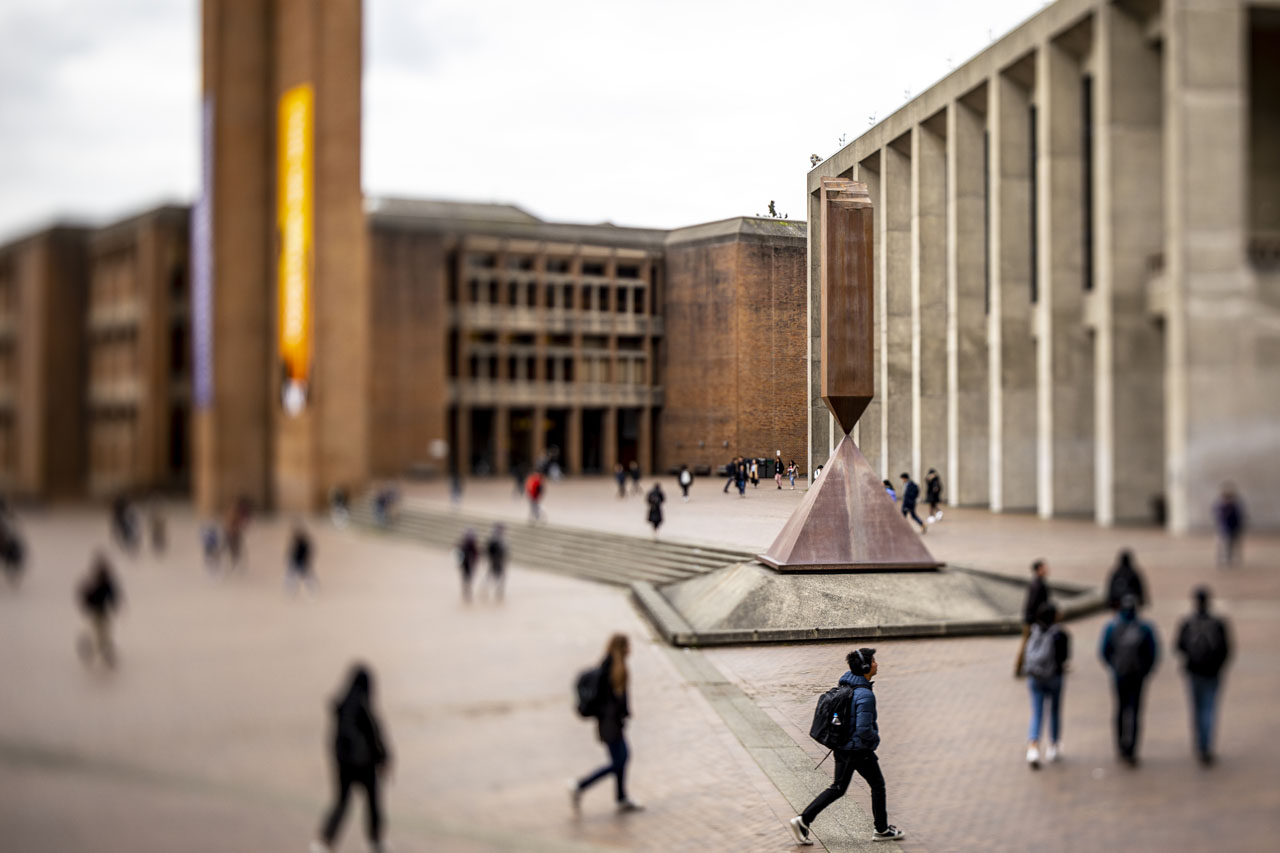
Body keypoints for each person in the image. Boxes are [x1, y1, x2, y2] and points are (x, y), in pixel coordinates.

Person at [787, 648, 905, 845]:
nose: (877, 664)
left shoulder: (847, 685)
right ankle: (881, 829)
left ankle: (804, 820)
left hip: (842, 747)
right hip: (858, 749)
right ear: (866, 667)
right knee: (877, 785)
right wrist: (874, 740)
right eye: (874, 661)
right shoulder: (865, 695)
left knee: (838, 788)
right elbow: (863, 729)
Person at [313, 665, 391, 853]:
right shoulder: (362, 704)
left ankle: (324, 842)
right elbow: (375, 735)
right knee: (372, 804)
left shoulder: (341, 705)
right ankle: (375, 843)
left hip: (344, 766)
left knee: (341, 803)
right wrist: (383, 757)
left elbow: (334, 741)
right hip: (364, 765)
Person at [571, 633, 641, 813]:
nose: (630, 649)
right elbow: (608, 698)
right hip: (610, 724)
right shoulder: (612, 669)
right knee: (619, 761)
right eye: (628, 646)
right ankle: (580, 785)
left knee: (621, 759)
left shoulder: (613, 666)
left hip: (611, 723)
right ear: (622, 648)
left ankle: (621, 797)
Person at [1100, 594, 1159, 765]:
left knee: (1120, 709)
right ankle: (1132, 748)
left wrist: (1114, 666)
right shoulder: (1145, 627)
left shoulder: (1112, 626)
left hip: (1120, 675)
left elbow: (1104, 651)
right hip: (1138, 676)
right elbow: (1153, 652)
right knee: (1135, 711)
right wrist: (1146, 670)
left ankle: (1120, 746)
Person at [1175, 586, 1232, 765]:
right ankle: (1206, 745)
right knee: (1209, 708)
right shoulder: (1218, 623)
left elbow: (1179, 646)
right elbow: (1227, 649)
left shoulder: (1187, 623)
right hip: (1212, 672)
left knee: (1197, 708)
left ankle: (1200, 743)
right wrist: (1219, 665)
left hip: (1194, 671)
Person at [1023, 602, 1070, 768]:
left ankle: (1033, 747)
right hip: (1054, 678)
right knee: (1055, 712)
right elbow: (1065, 657)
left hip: (1035, 678)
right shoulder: (1060, 634)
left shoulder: (1032, 632)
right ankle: (1053, 746)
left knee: (1037, 712)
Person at [77, 554, 122, 667]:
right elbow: (90, 595)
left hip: (101, 611)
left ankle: (103, 650)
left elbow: (89, 595)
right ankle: (101, 650)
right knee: (101, 631)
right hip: (99, 610)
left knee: (101, 631)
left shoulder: (101, 582)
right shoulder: (101, 582)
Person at [1014, 559, 1051, 678]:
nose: (1046, 570)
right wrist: (1035, 619)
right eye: (1044, 568)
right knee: (1026, 644)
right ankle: (1019, 668)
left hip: (1033, 619)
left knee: (1029, 643)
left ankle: (1023, 667)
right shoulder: (1037, 585)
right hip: (1032, 620)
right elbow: (1033, 605)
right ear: (1038, 570)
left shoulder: (1038, 583)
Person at [1212, 484, 1245, 567]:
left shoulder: (1234, 506)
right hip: (1224, 528)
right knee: (1222, 545)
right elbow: (1218, 515)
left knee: (1232, 545)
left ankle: (1229, 559)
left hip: (1232, 528)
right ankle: (1221, 560)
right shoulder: (1221, 505)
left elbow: (1238, 517)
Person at [287, 524, 317, 595]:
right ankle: (291, 592)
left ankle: (312, 592)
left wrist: (304, 561)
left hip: (301, 563)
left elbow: (306, 553)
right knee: (292, 578)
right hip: (297, 563)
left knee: (307, 578)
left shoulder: (303, 544)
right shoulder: (298, 543)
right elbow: (293, 554)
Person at [485, 524, 507, 602]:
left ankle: (495, 589)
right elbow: (489, 550)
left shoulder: (498, 539)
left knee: (494, 575)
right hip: (496, 560)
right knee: (497, 575)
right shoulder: (496, 541)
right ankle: (494, 589)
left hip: (496, 560)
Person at [456, 529, 478, 602]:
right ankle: (466, 590)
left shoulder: (468, 544)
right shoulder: (464, 545)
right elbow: (459, 554)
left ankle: (467, 590)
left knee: (467, 577)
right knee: (467, 577)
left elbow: (475, 554)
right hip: (466, 563)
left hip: (468, 563)